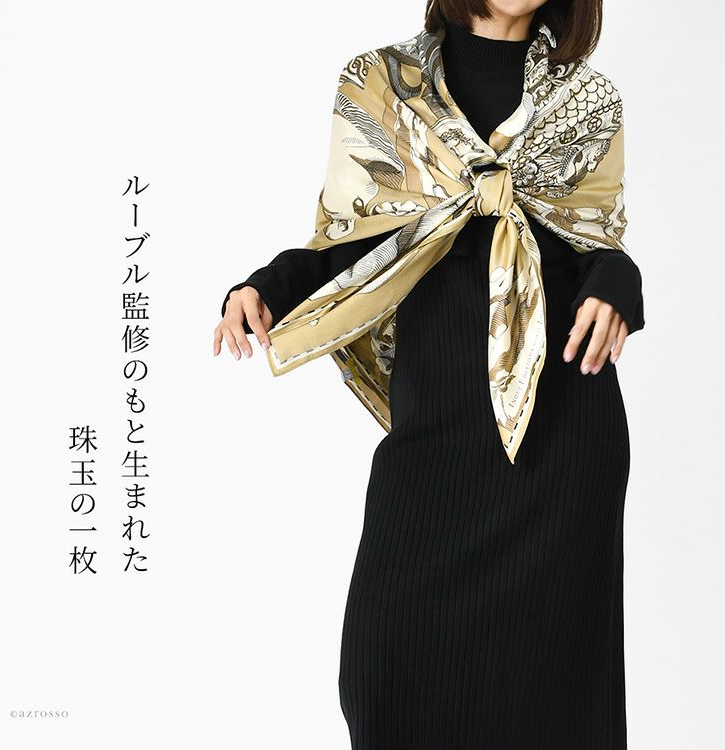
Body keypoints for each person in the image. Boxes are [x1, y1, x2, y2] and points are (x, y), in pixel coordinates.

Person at [213, 1, 645, 747]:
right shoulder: (381, 83)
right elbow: (352, 239)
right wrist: (265, 287)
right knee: (385, 679)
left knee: (551, 703)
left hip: (562, 433)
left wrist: (620, 286)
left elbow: (593, 243)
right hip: (435, 428)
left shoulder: (587, 98)